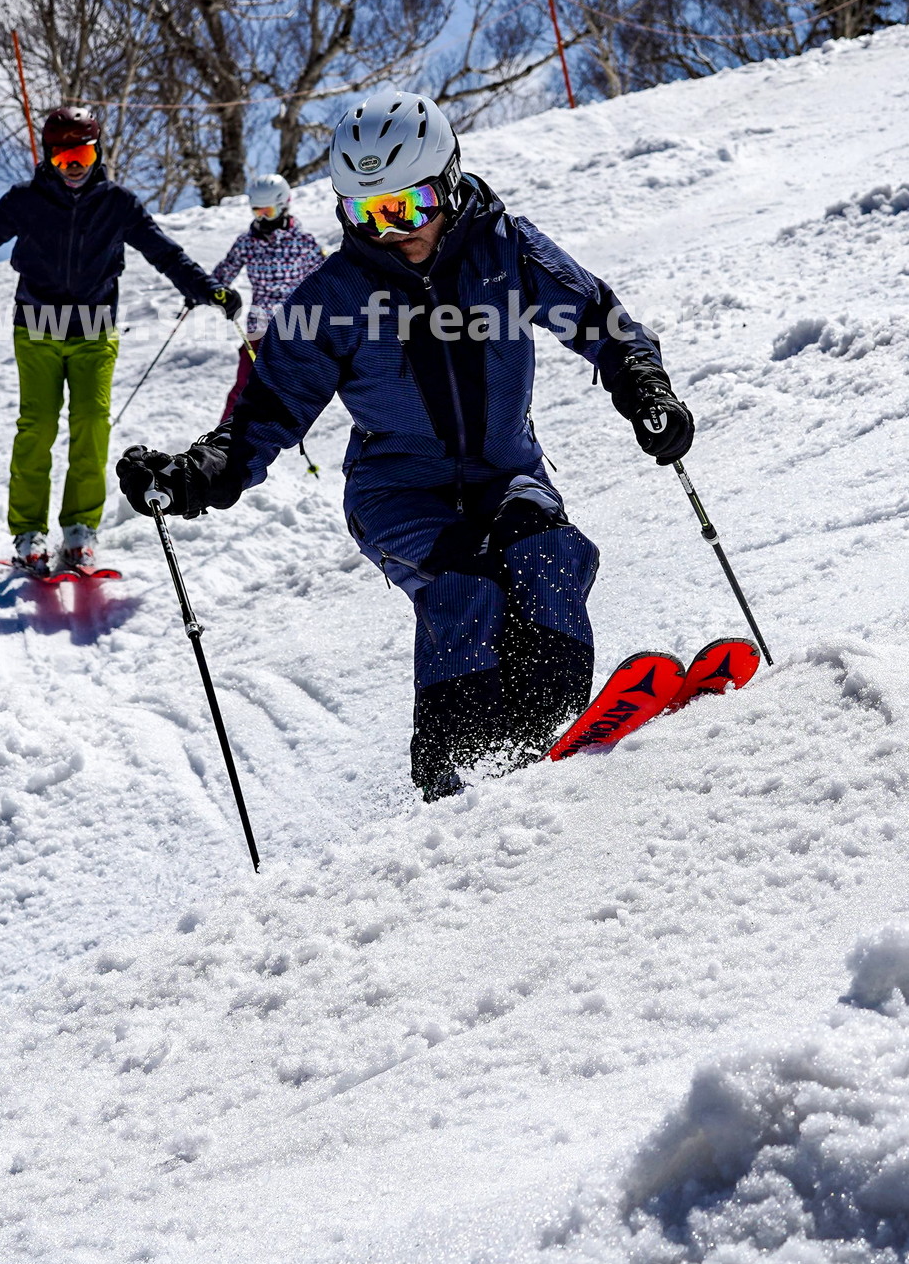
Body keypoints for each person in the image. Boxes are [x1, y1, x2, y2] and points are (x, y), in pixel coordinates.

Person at [115, 90, 693, 800]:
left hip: (507, 470)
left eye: (404, 207)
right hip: (398, 493)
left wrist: (644, 387)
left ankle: (552, 729)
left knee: (549, 554)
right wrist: (198, 474)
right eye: (366, 212)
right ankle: (459, 757)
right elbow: (268, 409)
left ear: (449, 182)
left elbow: (603, 320)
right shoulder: (336, 294)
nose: (388, 230)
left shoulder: (504, 250)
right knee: (465, 580)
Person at [0, 105, 241, 577]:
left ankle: (79, 530)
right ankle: (29, 532)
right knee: (38, 427)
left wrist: (205, 287)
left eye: (83, 155)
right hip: (37, 328)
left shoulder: (118, 204)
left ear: (97, 154)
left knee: (92, 426)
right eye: (64, 158)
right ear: (49, 158)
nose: (74, 167)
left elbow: (164, 253)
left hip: (94, 331)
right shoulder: (26, 200)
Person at [210, 173, 325, 421]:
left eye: (268, 211)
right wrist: (207, 291)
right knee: (243, 388)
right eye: (257, 211)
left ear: (284, 205)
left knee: (285, 393)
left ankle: (273, 440)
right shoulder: (247, 242)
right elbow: (223, 273)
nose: (262, 218)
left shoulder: (303, 243)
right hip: (258, 330)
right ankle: (219, 446)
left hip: (293, 332)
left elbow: (325, 280)